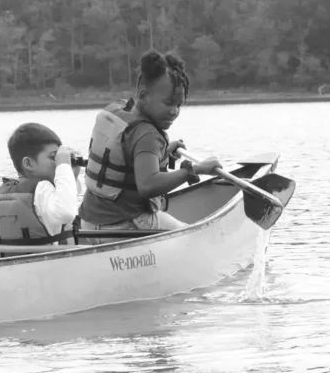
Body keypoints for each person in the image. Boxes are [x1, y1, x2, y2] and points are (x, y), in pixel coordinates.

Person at [78, 49, 223, 237]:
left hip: (88, 224)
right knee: (195, 238)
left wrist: (164, 152)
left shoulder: (118, 110)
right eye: (168, 103)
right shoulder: (147, 135)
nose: (174, 111)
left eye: (179, 105)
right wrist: (195, 170)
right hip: (122, 226)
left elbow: (129, 153)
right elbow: (148, 185)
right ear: (144, 95)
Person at [0, 123, 81, 245]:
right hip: (53, 262)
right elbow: (66, 213)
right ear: (28, 163)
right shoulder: (42, 189)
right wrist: (64, 167)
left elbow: (64, 201)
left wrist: (71, 175)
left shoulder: (2, 192)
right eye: (53, 157)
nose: (58, 162)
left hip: (19, 260)